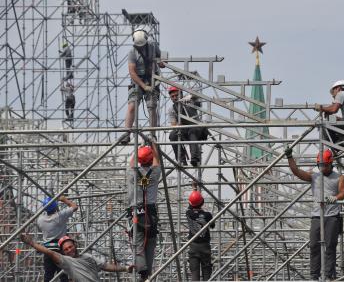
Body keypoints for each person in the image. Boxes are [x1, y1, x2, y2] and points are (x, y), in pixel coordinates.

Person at [285, 147, 344, 280]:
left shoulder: (339, 177)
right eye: (320, 165)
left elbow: (343, 192)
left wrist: (335, 197)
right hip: (317, 216)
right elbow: (297, 172)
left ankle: (329, 274)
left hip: (332, 217)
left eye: (324, 165)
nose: (322, 168)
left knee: (330, 246)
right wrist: (290, 157)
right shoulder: (314, 176)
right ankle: (314, 275)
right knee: (314, 245)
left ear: (331, 163)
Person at [20, 234, 134, 282]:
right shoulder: (67, 262)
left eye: (70, 247)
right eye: (66, 249)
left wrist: (125, 268)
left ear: (75, 245)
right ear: (63, 252)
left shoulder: (88, 256)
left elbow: (105, 266)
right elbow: (51, 253)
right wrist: (32, 243)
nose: (69, 250)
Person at [122, 28, 165, 144]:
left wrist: (161, 62)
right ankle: (127, 134)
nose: (141, 48)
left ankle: (152, 134)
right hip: (137, 80)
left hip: (152, 79)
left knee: (152, 106)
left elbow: (162, 59)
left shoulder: (152, 45)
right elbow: (132, 72)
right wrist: (143, 86)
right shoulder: (132, 52)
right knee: (132, 105)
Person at [126, 141, 160, 281]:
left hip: (136, 212)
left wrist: (139, 147)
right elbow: (157, 161)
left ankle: (142, 271)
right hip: (150, 213)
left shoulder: (132, 173)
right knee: (150, 242)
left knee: (138, 243)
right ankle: (147, 272)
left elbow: (132, 162)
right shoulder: (155, 173)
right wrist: (153, 144)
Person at [36, 195, 78, 282]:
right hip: (60, 247)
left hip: (47, 249)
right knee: (63, 274)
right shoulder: (60, 216)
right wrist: (65, 200)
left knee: (48, 275)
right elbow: (74, 207)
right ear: (55, 207)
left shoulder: (40, 219)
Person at [168, 86, 206, 167]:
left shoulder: (190, 101)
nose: (175, 98)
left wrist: (191, 96)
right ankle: (181, 160)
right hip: (184, 130)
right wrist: (179, 125)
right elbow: (173, 125)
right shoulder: (172, 109)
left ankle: (194, 158)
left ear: (181, 94)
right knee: (172, 135)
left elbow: (197, 96)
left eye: (176, 95)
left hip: (197, 129)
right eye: (172, 96)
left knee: (192, 130)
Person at [186, 188, 215, 281]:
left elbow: (190, 206)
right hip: (205, 246)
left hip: (193, 245)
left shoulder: (189, 213)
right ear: (202, 202)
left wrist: (194, 191)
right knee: (207, 272)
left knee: (194, 272)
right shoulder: (208, 215)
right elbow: (213, 226)